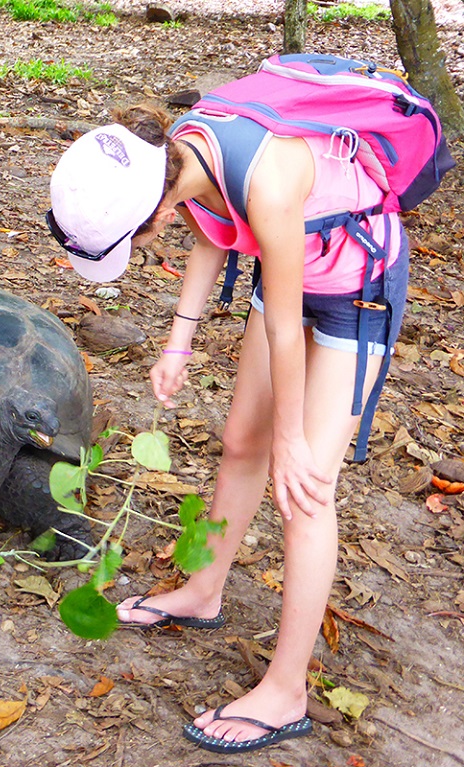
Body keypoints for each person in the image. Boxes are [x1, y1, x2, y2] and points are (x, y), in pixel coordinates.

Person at [45, 104, 408, 754]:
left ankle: (287, 690)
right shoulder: (178, 153)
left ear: (150, 212)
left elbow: (283, 326)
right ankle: (204, 589)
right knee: (242, 440)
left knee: (305, 488)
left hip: (359, 287)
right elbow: (213, 230)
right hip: (291, 265)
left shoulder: (264, 180)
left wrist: (292, 439)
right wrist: (177, 346)